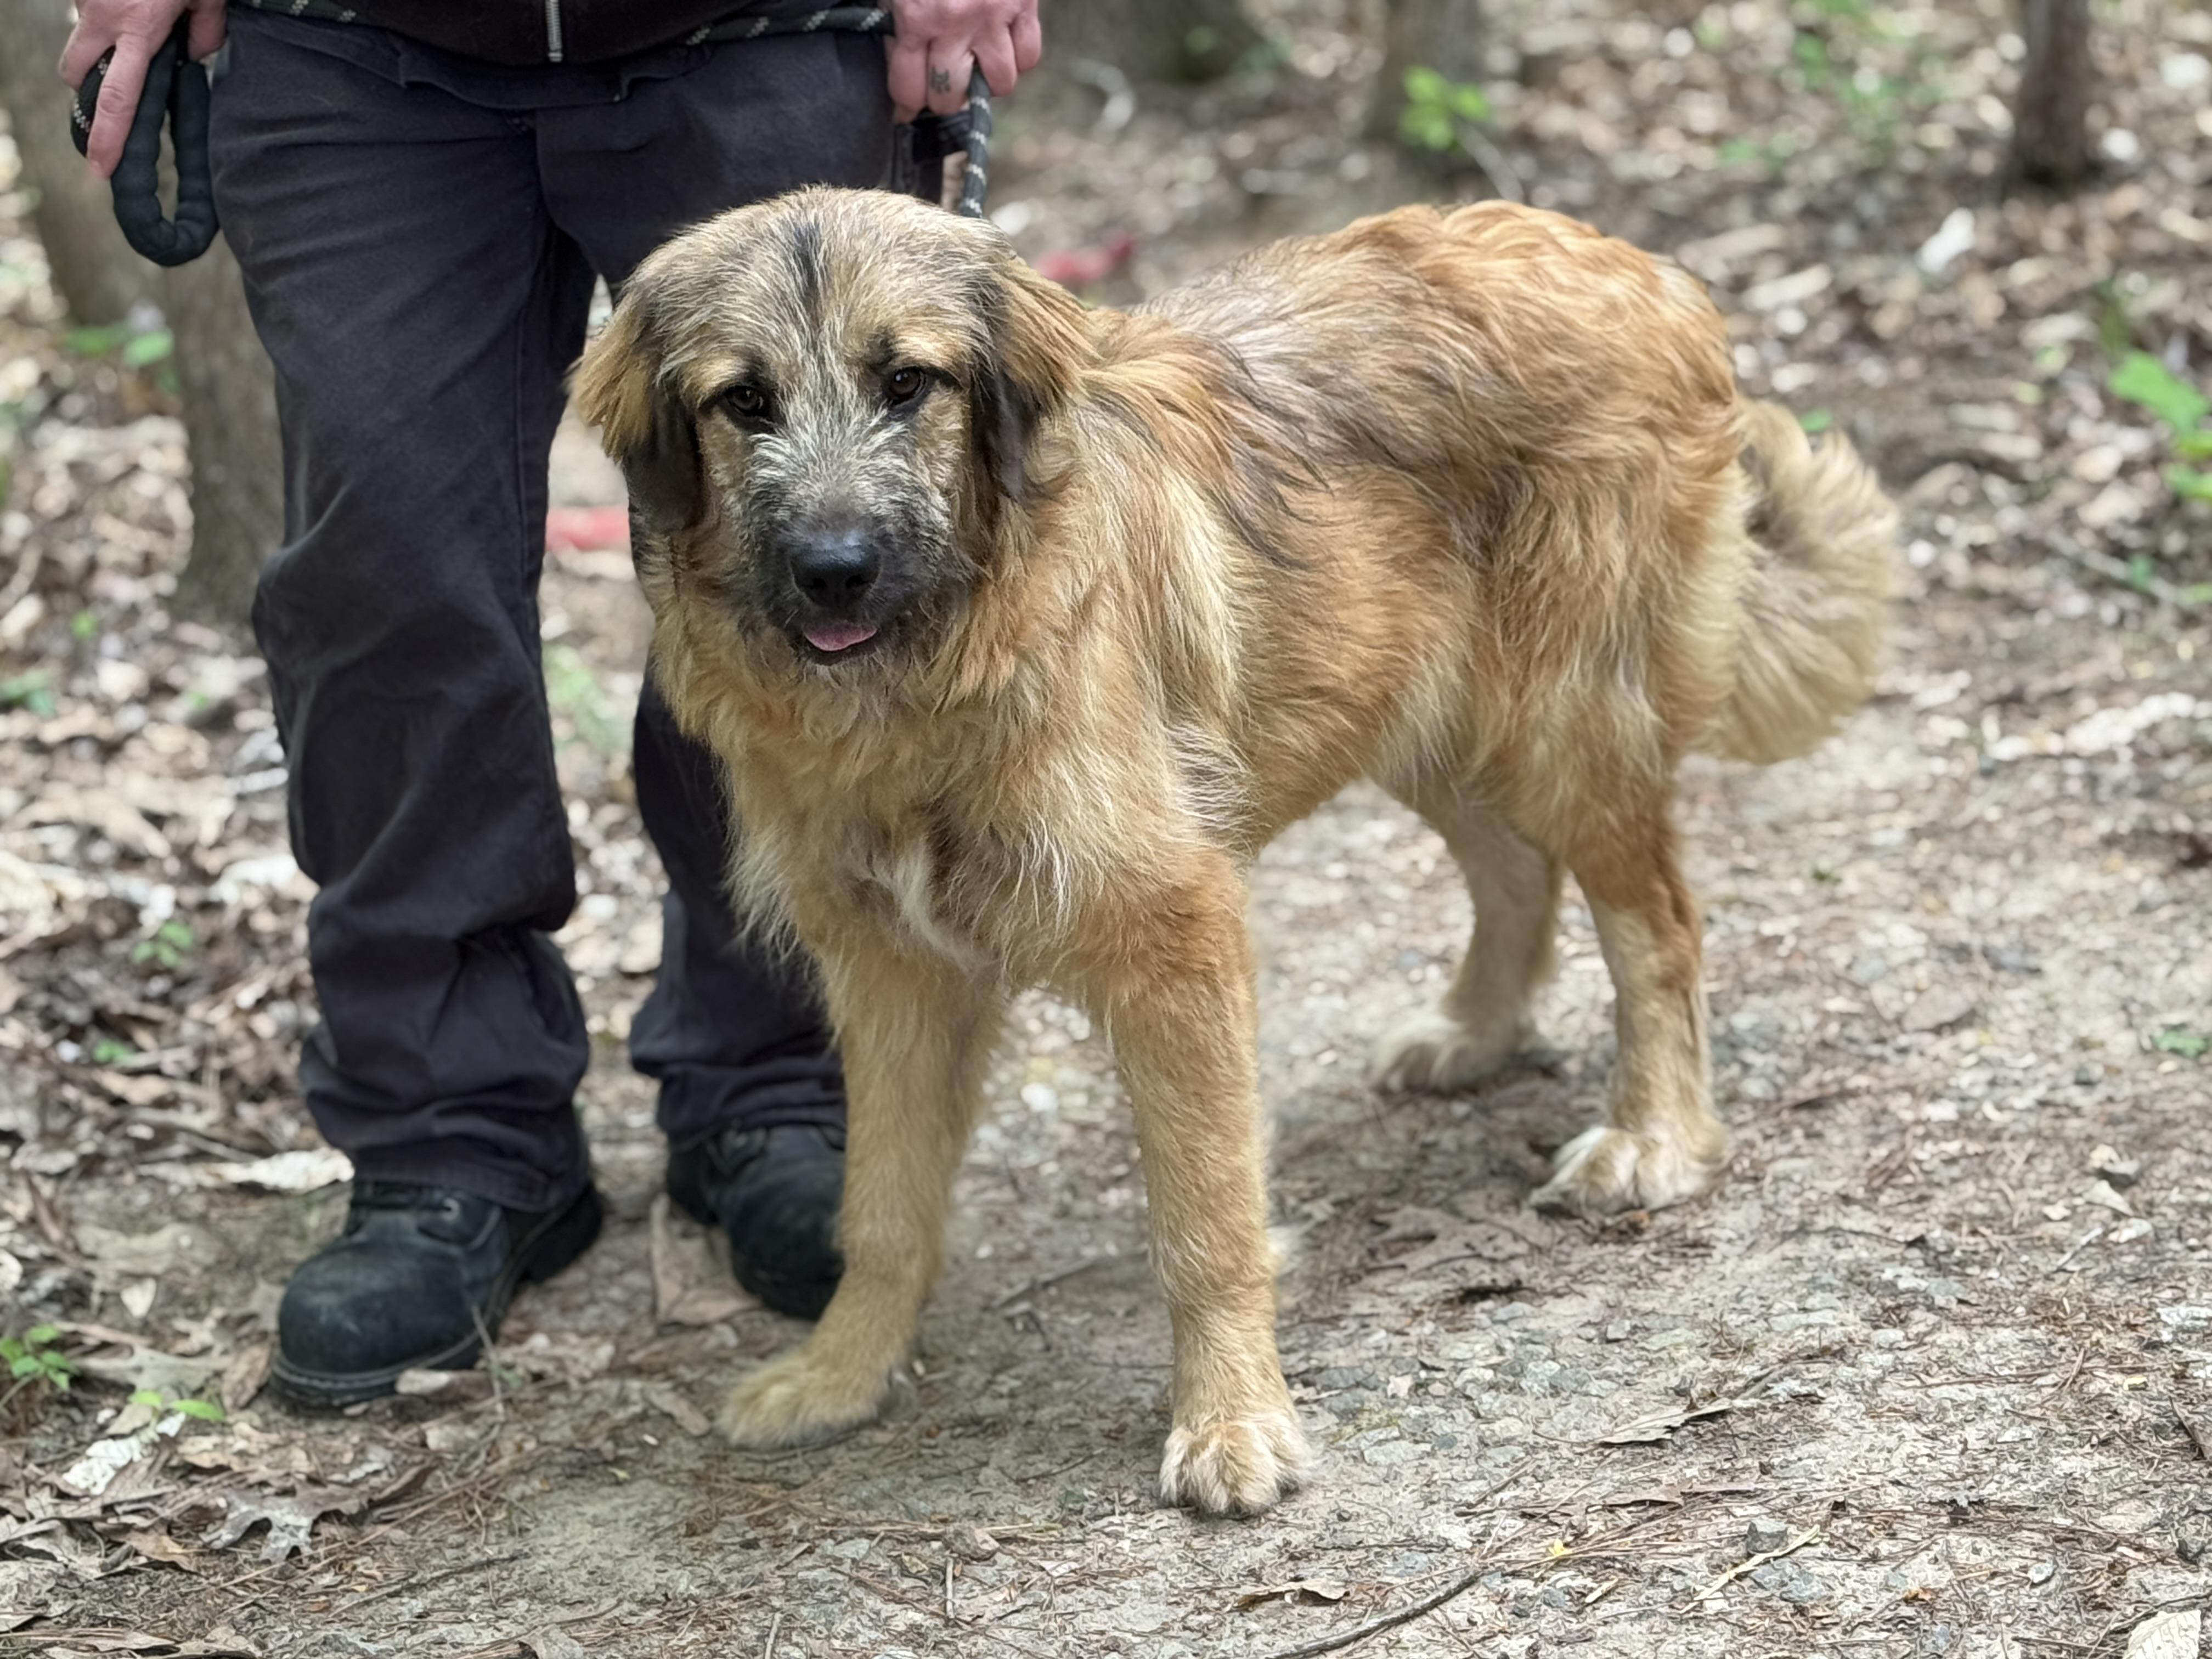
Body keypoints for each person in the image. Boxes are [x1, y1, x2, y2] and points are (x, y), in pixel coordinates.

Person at [61, 0, 1042, 1407]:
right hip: (347, 41)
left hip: (760, 28)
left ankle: (775, 1078)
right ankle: (450, 1133)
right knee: (382, 580)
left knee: (808, 576)